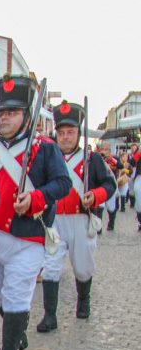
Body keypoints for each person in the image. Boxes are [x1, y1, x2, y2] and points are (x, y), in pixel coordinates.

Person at [0, 75, 71, 350]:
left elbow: (62, 183)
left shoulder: (45, 148)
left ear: (26, 117)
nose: (3, 118)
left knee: (17, 295)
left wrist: (36, 197)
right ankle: (18, 336)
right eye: (2, 113)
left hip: (27, 236)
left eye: (12, 113)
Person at [37, 101, 116, 331]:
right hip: (56, 221)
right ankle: (50, 316)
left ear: (78, 134)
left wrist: (96, 194)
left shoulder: (93, 160)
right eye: (61, 133)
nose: (65, 137)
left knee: (83, 267)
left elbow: (109, 185)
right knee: (50, 267)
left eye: (70, 132)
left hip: (81, 219)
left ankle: (83, 302)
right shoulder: (49, 159)